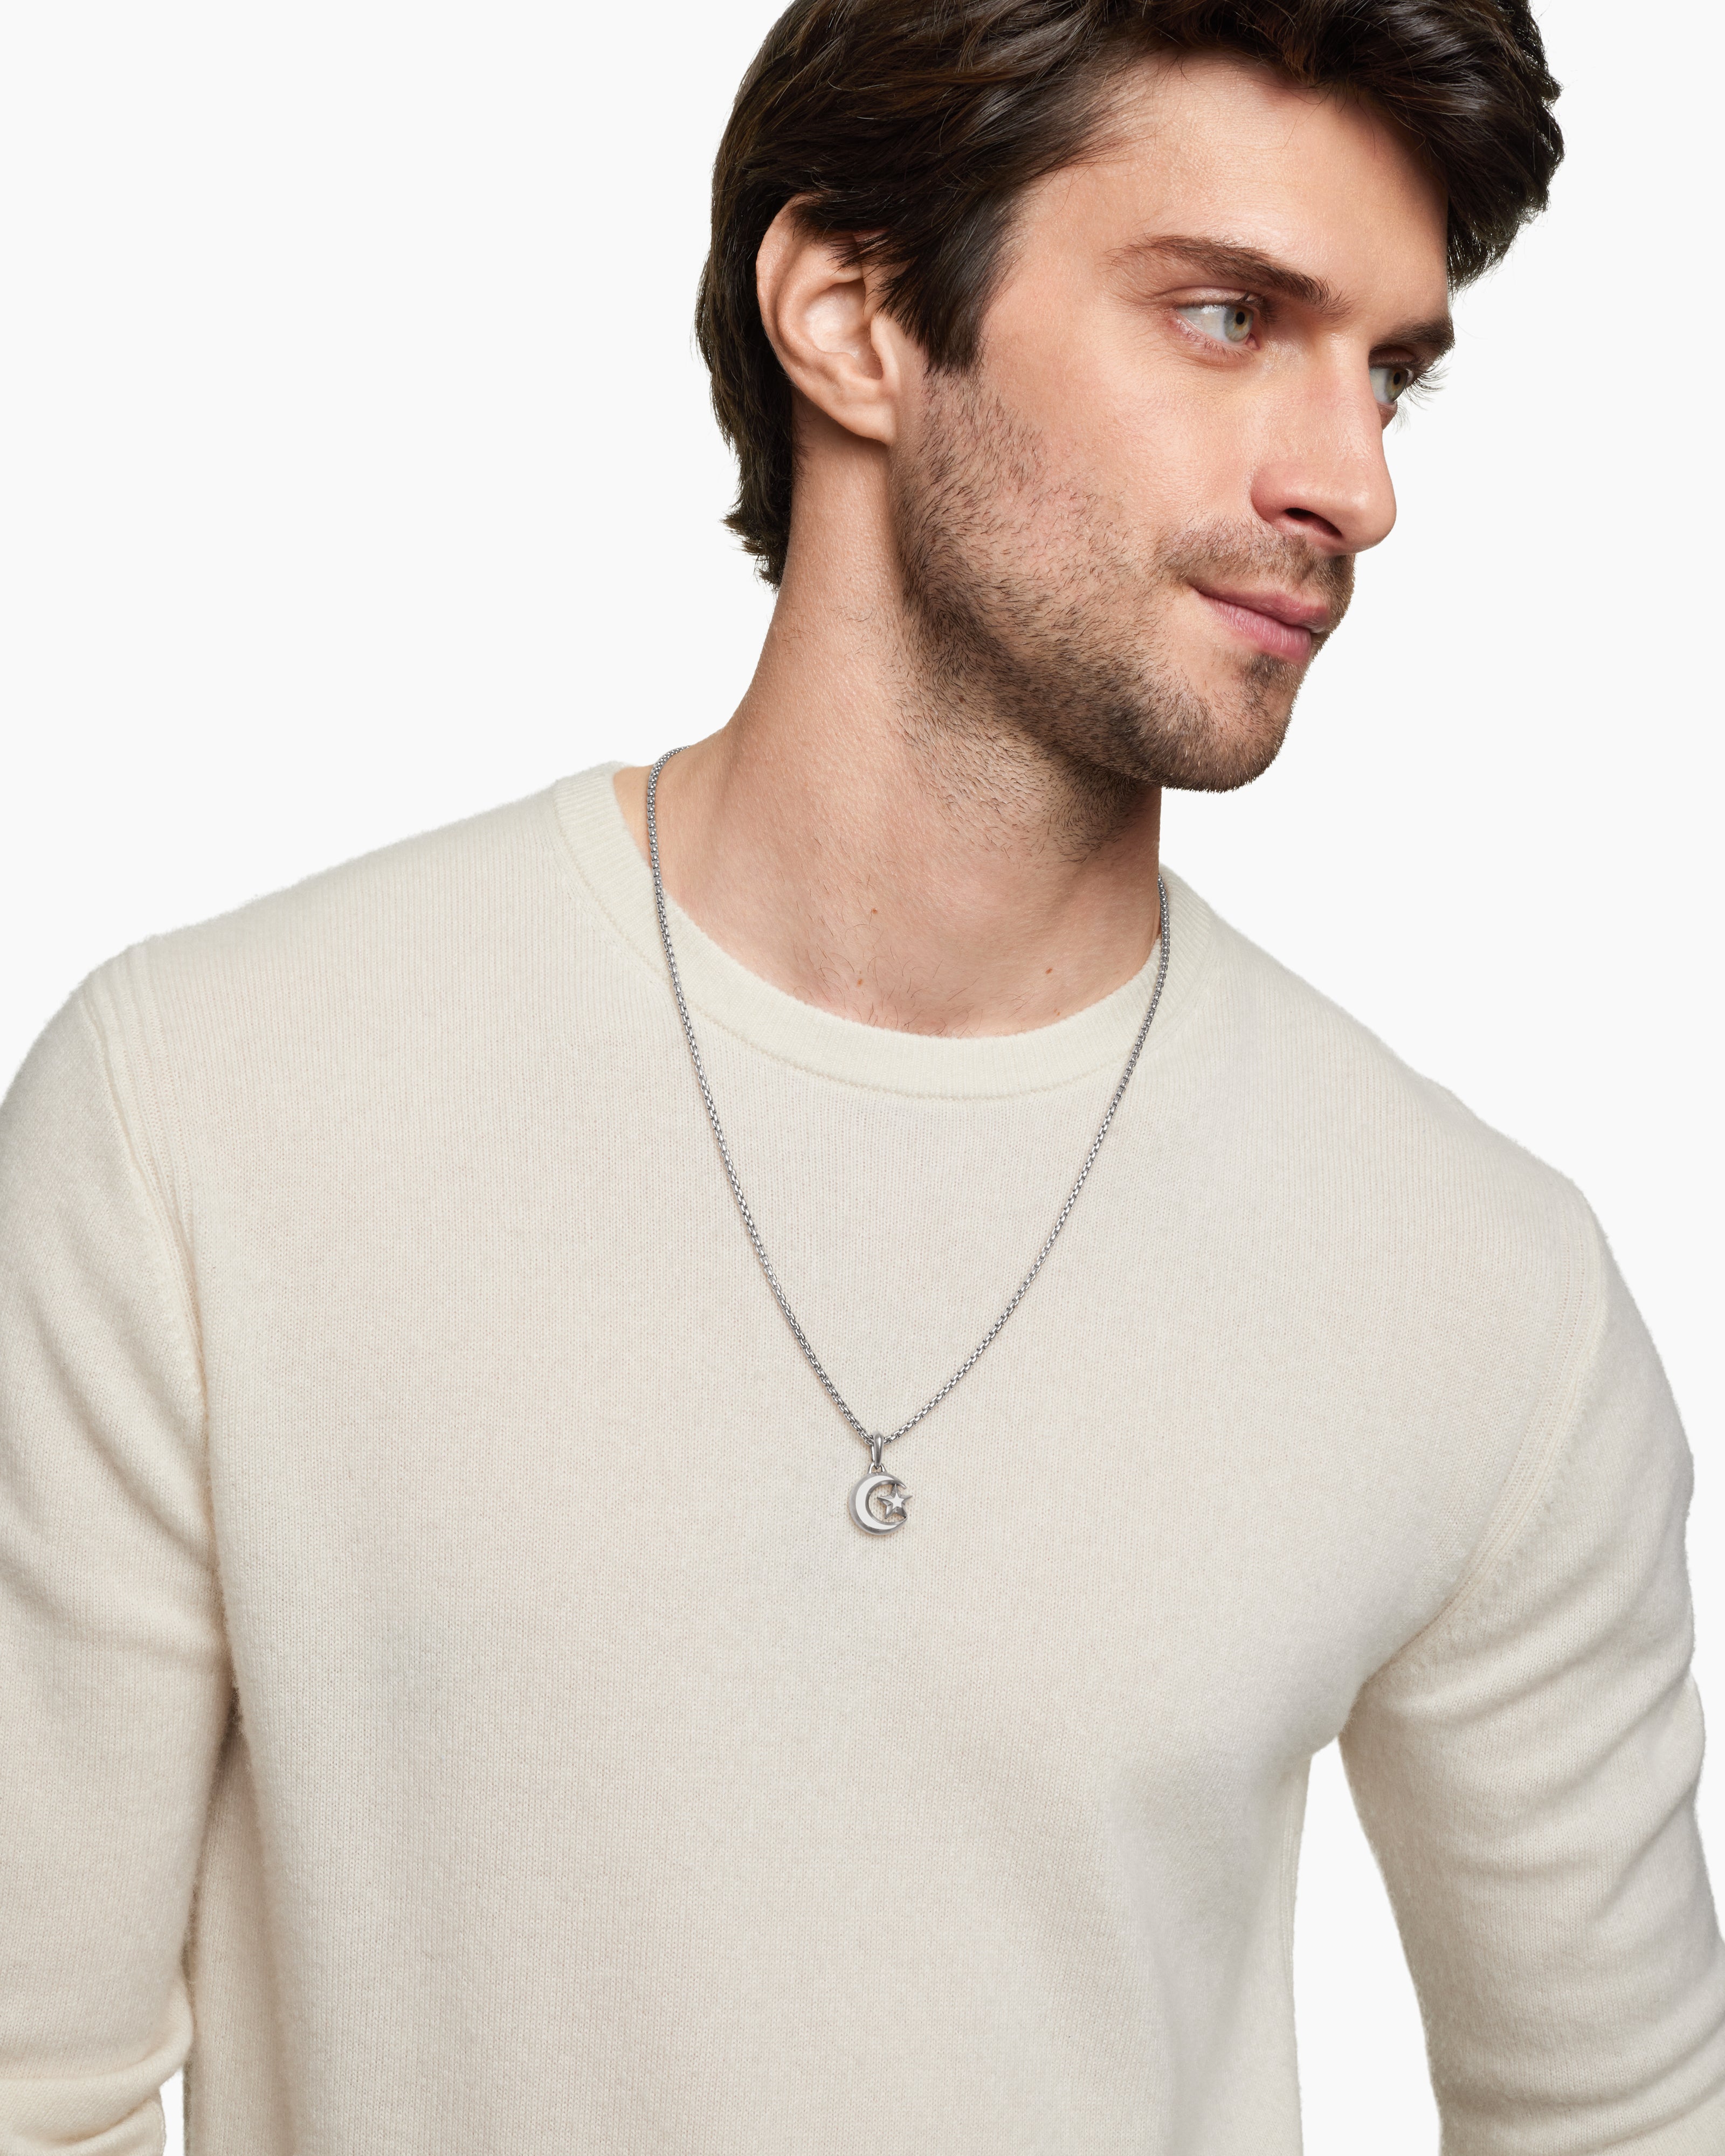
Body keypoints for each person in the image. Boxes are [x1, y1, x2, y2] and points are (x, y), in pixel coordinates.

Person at [3, 1, 1721, 2148]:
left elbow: (1619, 2118)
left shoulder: (1481, 1293)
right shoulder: (204, 1118)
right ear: (851, 316)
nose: (1351, 482)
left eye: (1386, 369)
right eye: (1226, 317)